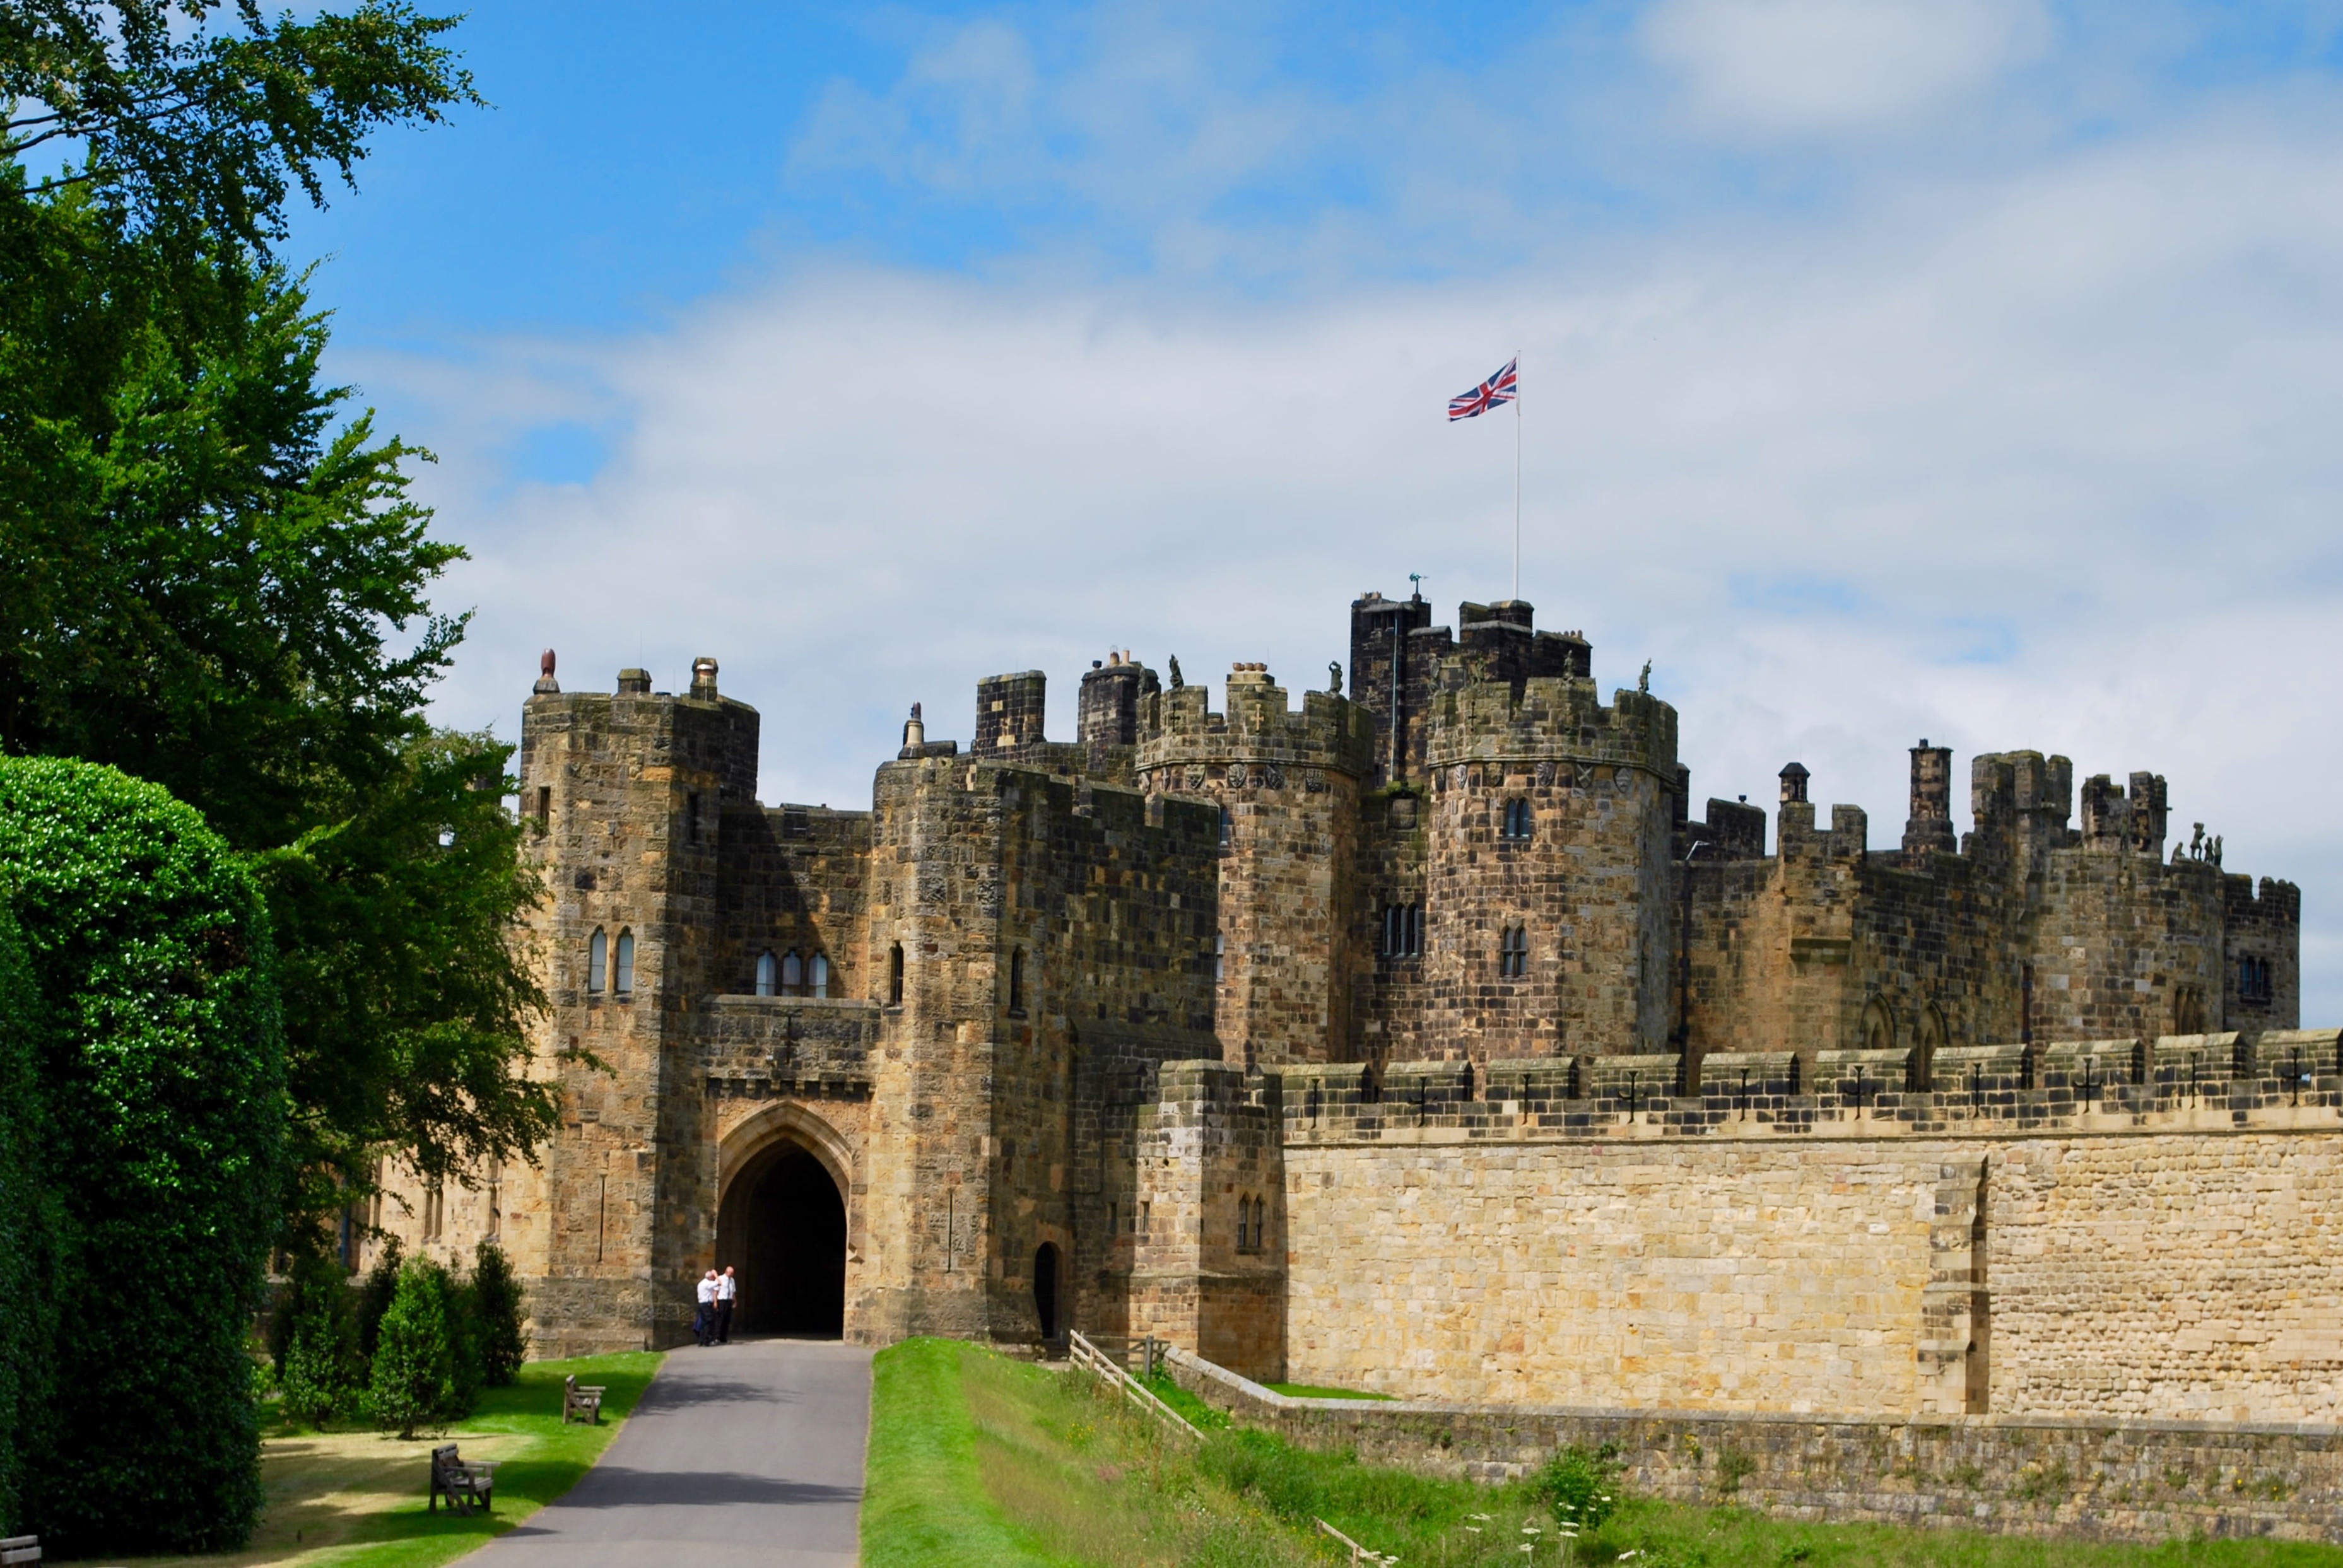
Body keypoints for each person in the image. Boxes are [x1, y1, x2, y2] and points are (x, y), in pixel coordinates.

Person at [693, 1268, 719, 1346]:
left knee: (704, 1322)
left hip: (702, 1304)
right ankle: (706, 1340)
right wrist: (716, 1274)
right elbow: (720, 1283)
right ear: (710, 1277)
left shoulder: (701, 1283)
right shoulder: (708, 1283)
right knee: (709, 1321)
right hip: (706, 1304)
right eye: (713, 1277)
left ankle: (701, 1340)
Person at [715, 1265, 738, 1343]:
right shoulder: (720, 1279)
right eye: (730, 1273)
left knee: (727, 1320)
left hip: (729, 1300)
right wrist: (715, 1302)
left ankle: (723, 1338)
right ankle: (717, 1337)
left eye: (732, 1273)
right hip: (722, 1300)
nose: (732, 1274)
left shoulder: (732, 1280)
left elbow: (733, 1292)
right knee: (721, 1319)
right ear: (726, 1272)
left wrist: (735, 1301)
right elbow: (716, 1291)